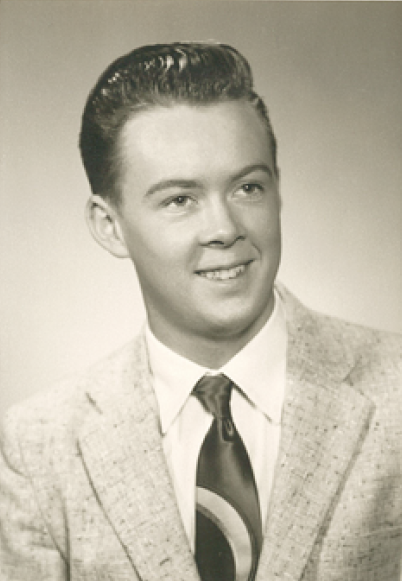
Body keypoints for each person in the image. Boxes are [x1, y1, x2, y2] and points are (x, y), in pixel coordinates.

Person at [0, 42, 401, 581]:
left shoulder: (394, 393)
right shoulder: (34, 449)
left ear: (278, 192)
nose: (224, 229)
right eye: (179, 200)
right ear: (109, 225)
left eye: (248, 187)